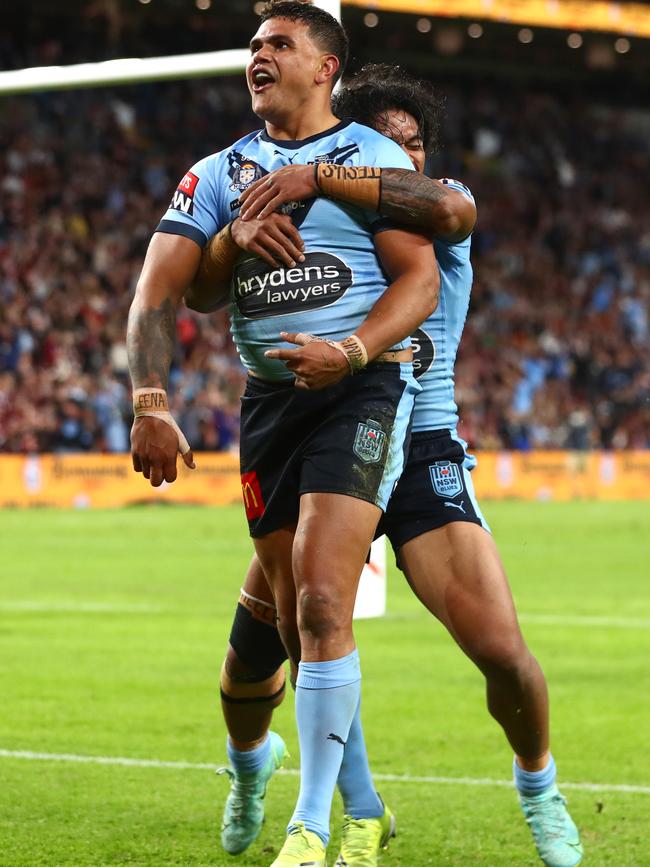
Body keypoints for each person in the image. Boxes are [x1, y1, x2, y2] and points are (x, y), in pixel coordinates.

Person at [196, 63, 583, 867]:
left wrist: (331, 173)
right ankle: (254, 770)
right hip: (321, 433)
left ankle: (537, 782)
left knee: (501, 650)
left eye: (412, 146)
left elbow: (445, 203)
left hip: (421, 448)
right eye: (386, 146)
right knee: (254, 668)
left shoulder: (437, 208)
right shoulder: (315, 217)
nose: (400, 159)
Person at [127, 4, 439, 866]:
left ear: (325, 68)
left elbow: (420, 282)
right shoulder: (218, 173)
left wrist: (352, 349)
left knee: (323, 596)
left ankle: (310, 824)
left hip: (361, 387)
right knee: (302, 625)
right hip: (268, 405)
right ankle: (364, 804)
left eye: (280, 45)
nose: (258, 56)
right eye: (255, 44)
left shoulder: (372, 159)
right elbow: (164, 293)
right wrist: (151, 400)